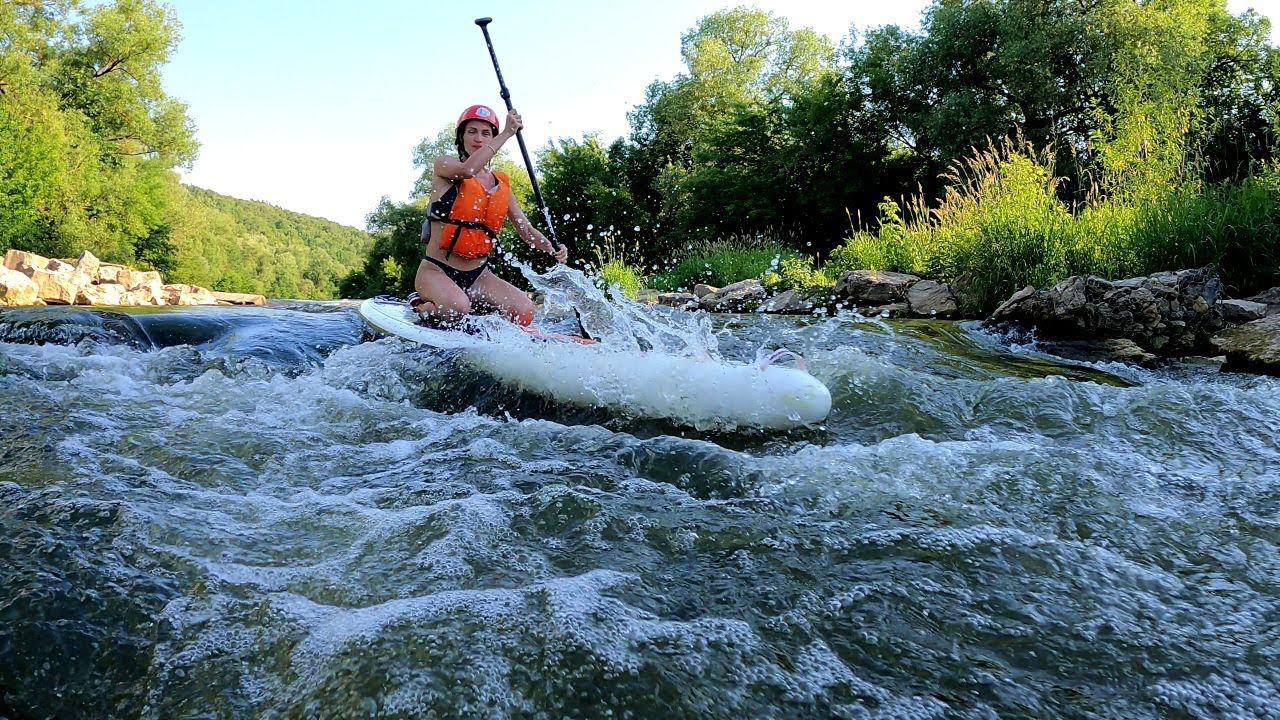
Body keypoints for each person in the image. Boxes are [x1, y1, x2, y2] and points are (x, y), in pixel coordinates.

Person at [411, 104, 567, 327]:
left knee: (524, 311)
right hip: (436, 271)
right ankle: (422, 305)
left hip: (479, 276)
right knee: (457, 308)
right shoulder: (444, 166)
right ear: (461, 137)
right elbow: (467, 171)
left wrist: (553, 248)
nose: (478, 138)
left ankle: (478, 315)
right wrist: (506, 133)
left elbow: (527, 231)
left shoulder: (501, 185)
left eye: (486, 133)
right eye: (472, 131)